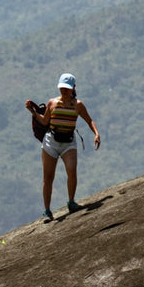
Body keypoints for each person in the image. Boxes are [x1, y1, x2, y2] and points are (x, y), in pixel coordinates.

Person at [27, 72, 100, 220]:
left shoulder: (78, 105)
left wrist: (96, 133)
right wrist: (33, 113)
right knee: (48, 177)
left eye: (67, 88)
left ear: (73, 88)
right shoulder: (52, 103)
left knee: (72, 171)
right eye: (62, 88)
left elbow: (89, 120)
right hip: (51, 143)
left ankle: (71, 202)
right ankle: (47, 211)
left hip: (68, 142)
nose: (64, 91)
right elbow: (45, 121)